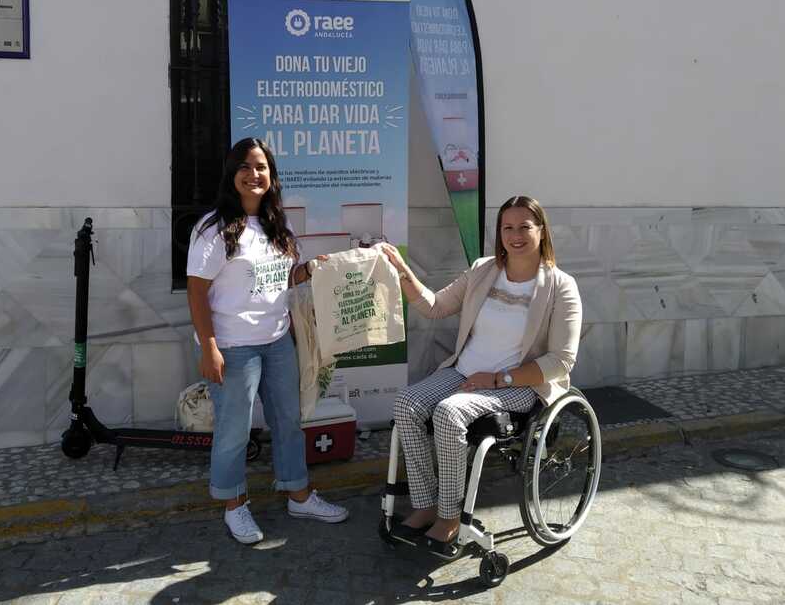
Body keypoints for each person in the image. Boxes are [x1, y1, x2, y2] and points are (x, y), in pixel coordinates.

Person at [377, 195, 581, 557]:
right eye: (507, 227)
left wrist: (499, 378)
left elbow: (561, 360)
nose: (515, 235)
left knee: (449, 413)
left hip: (518, 385)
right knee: (407, 402)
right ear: (499, 233)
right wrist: (401, 268)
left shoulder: (560, 286)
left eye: (524, 226)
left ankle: (449, 514)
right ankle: (425, 503)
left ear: (542, 230)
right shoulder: (484, 270)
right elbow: (435, 306)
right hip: (464, 372)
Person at [186, 137, 349, 544]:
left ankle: (298, 494)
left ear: (271, 176)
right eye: (244, 166)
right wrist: (209, 347)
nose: (253, 174)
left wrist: (306, 271)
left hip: (278, 342)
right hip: (233, 348)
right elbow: (196, 291)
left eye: (261, 167)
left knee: (289, 422)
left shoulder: (279, 226)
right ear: (231, 174)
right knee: (234, 431)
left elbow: (278, 280)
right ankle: (234, 506)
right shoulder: (212, 229)